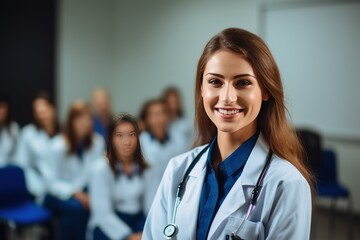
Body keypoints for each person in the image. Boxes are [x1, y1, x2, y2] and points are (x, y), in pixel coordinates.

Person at [142, 28, 313, 240]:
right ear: (202, 88)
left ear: (266, 90)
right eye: (215, 82)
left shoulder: (287, 185)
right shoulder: (178, 169)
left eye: (243, 83)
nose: (227, 97)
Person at [43, 100, 104, 240]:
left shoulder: (97, 143)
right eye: (79, 118)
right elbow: (50, 183)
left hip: (83, 192)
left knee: (74, 215)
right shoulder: (56, 146)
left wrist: (90, 195)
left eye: (88, 118)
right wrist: (75, 192)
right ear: (70, 122)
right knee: (76, 209)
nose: (84, 123)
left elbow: (97, 174)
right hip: (55, 194)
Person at [88, 114, 148, 240]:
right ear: (111, 139)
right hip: (109, 226)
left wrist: (146, 232)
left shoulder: (147, 167)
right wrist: (129, 236)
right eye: (120, 136)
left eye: (132, 135)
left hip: (138, 221)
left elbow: (151, 206)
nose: (127, 142)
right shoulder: (100, 169)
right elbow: (103, 214)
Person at [139, 99, 188, 213]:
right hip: (148, 203)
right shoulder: (141, 143)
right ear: (147, 120)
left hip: (175, 200)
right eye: (155, 114)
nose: (160, 119)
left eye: (163, 113)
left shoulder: (178, 139)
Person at [14, 93, 59, 202]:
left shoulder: (64, 134)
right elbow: (22, 165)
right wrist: (37, 188)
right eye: (37, 112)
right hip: (40, 188)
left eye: (44, 111)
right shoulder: (28, 134)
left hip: (62, 185)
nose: (41, 116)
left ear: (53, 109)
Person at [0, 95, 19, 166]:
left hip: (7, 171)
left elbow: (17, 157)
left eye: (3, 107)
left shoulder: (13, 128)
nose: (1, 111)